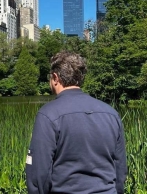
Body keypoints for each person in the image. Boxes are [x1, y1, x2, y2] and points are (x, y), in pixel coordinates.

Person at [25, 51, 127, 194]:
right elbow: (120, 169)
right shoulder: (111, 114)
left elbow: (38, 173)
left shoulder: (48, 114)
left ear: (55, 78)